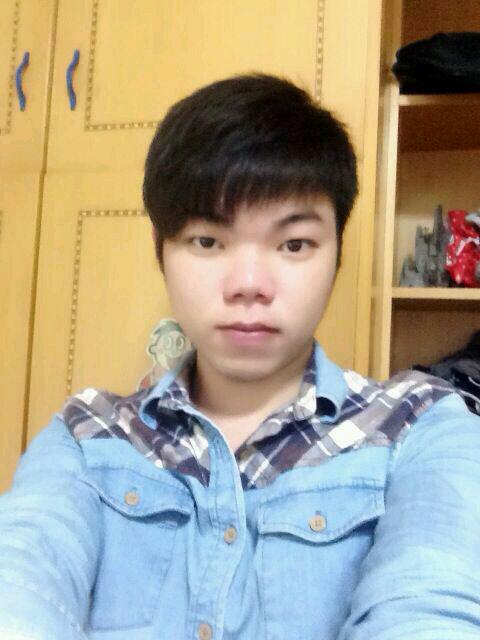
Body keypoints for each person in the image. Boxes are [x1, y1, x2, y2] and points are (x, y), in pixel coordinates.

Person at [1, 72, 480, 640]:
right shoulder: (88, 437)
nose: (249, 284)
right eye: (208, 241)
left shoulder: (417, 428)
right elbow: (22, 579)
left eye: (294, 244)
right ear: (161, 252)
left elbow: (432, 608)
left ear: (337, 256)